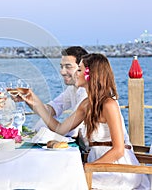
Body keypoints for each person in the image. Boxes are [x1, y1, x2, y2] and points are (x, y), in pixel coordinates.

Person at [19, 53, 149, 189]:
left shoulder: (108, 104)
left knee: (63, 181)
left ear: (90, 74)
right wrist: (34, 101)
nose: (76, 73)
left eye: (79, 69)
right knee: (55, 177)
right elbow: (59, 129)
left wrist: (87, 168)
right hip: (97, 166)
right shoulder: (86, 104)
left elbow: (118, 150)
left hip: (117, 168)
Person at [33, 46, 88, 137]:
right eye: (62, 67)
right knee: (43, 122)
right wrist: (30, 100)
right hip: (83, 144)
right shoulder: (72, 88)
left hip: (93, 148)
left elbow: (72, 130)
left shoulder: (87, 93)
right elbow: (54, 107)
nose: (62, 72)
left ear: (83, 68)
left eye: (68, 67)